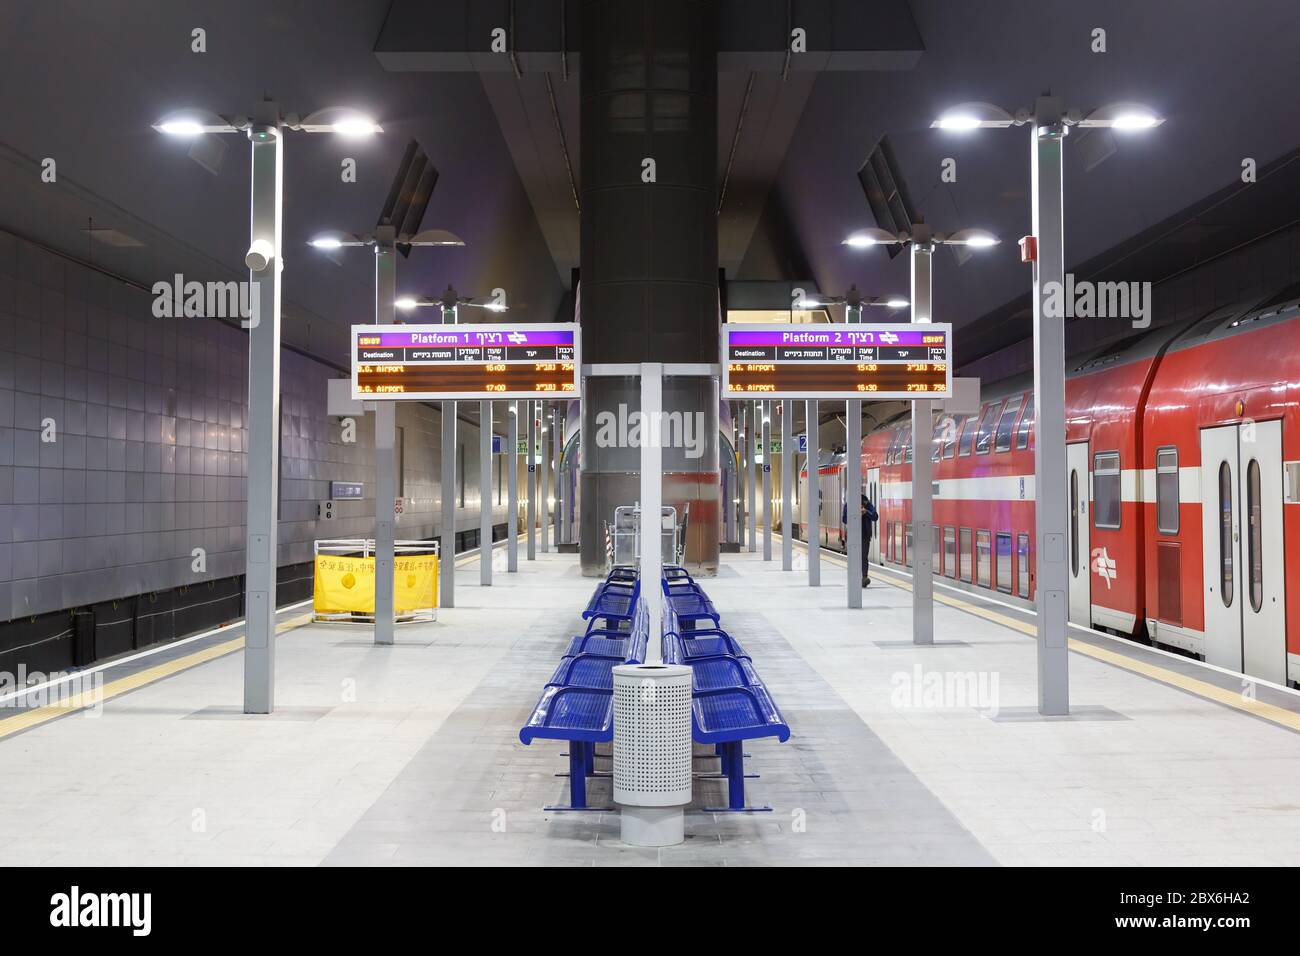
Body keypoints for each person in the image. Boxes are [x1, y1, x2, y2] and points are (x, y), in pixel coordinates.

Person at [842, 493, 879, 586]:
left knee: (863, 557)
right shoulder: (849, 504)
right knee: (854, 557)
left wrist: (866, 512)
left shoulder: (866, 502)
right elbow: (845, 519)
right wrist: (855, 513)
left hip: (865, 535)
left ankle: (864, 577)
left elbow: (875, 516)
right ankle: (854, 577)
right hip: (853, 535)